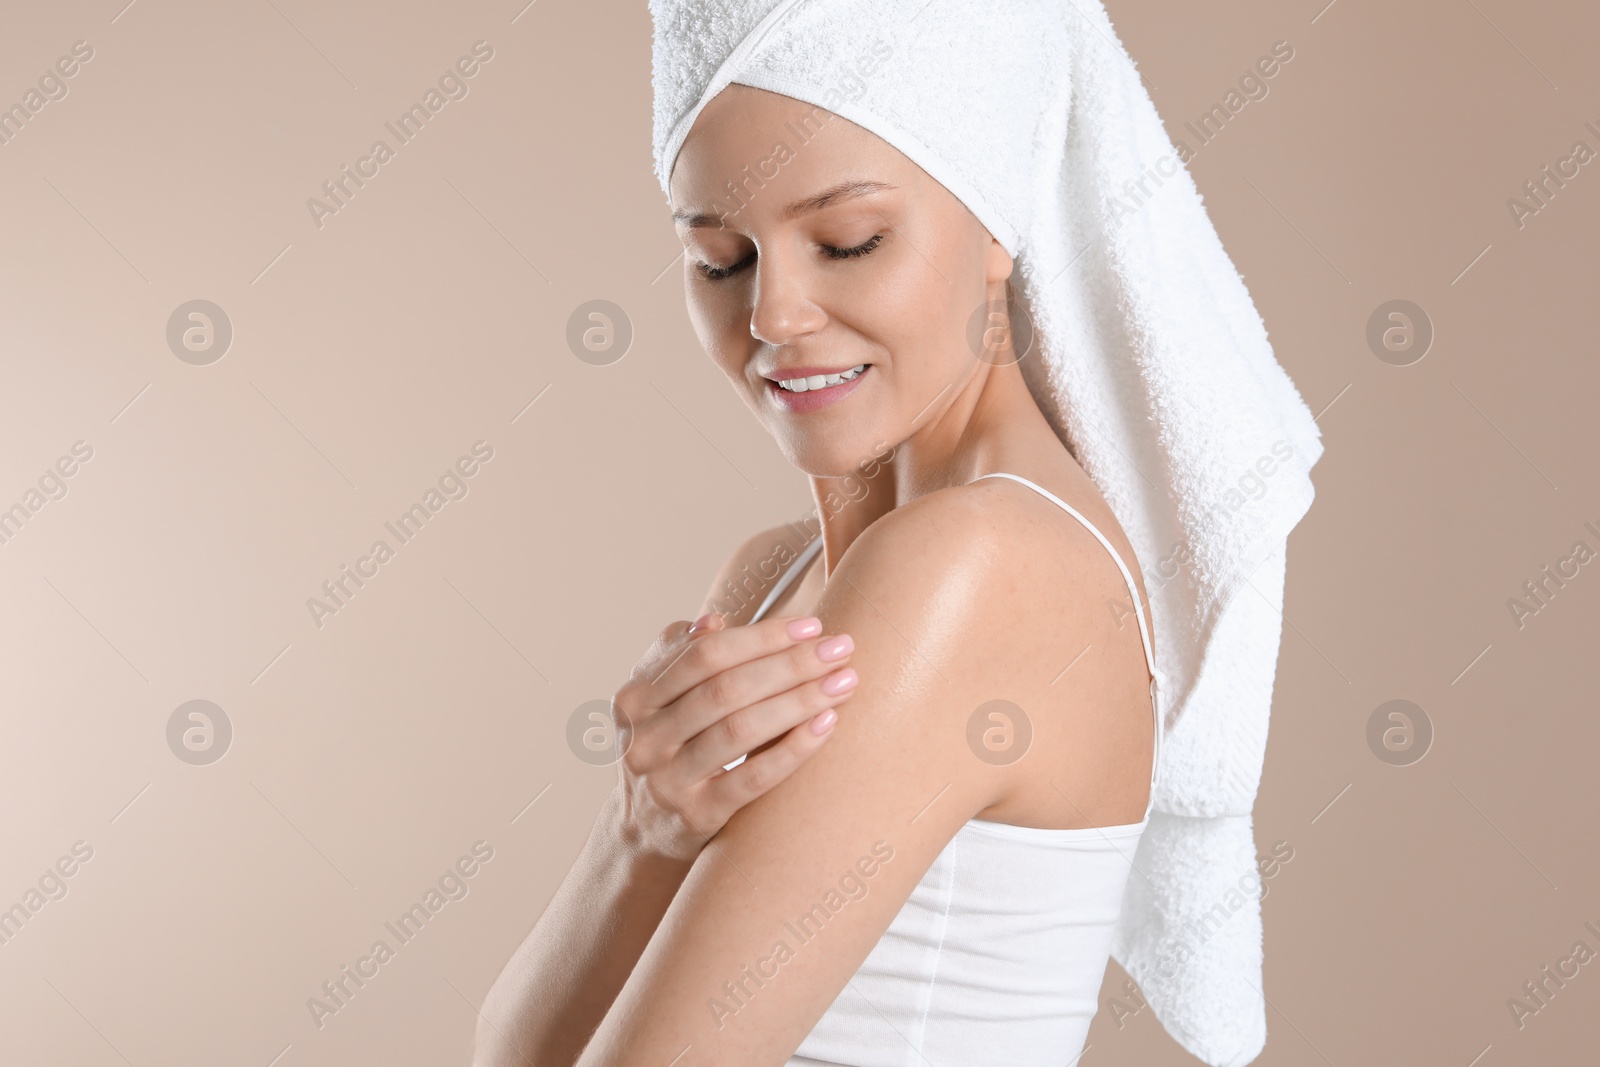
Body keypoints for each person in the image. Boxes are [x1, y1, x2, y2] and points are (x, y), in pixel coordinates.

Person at [475, 80, 1162, 1066]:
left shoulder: (973, 563)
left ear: (995, 213)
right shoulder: (769, 573)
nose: (775, 315)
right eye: (719, 259)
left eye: (846, 241)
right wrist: (637, 839)